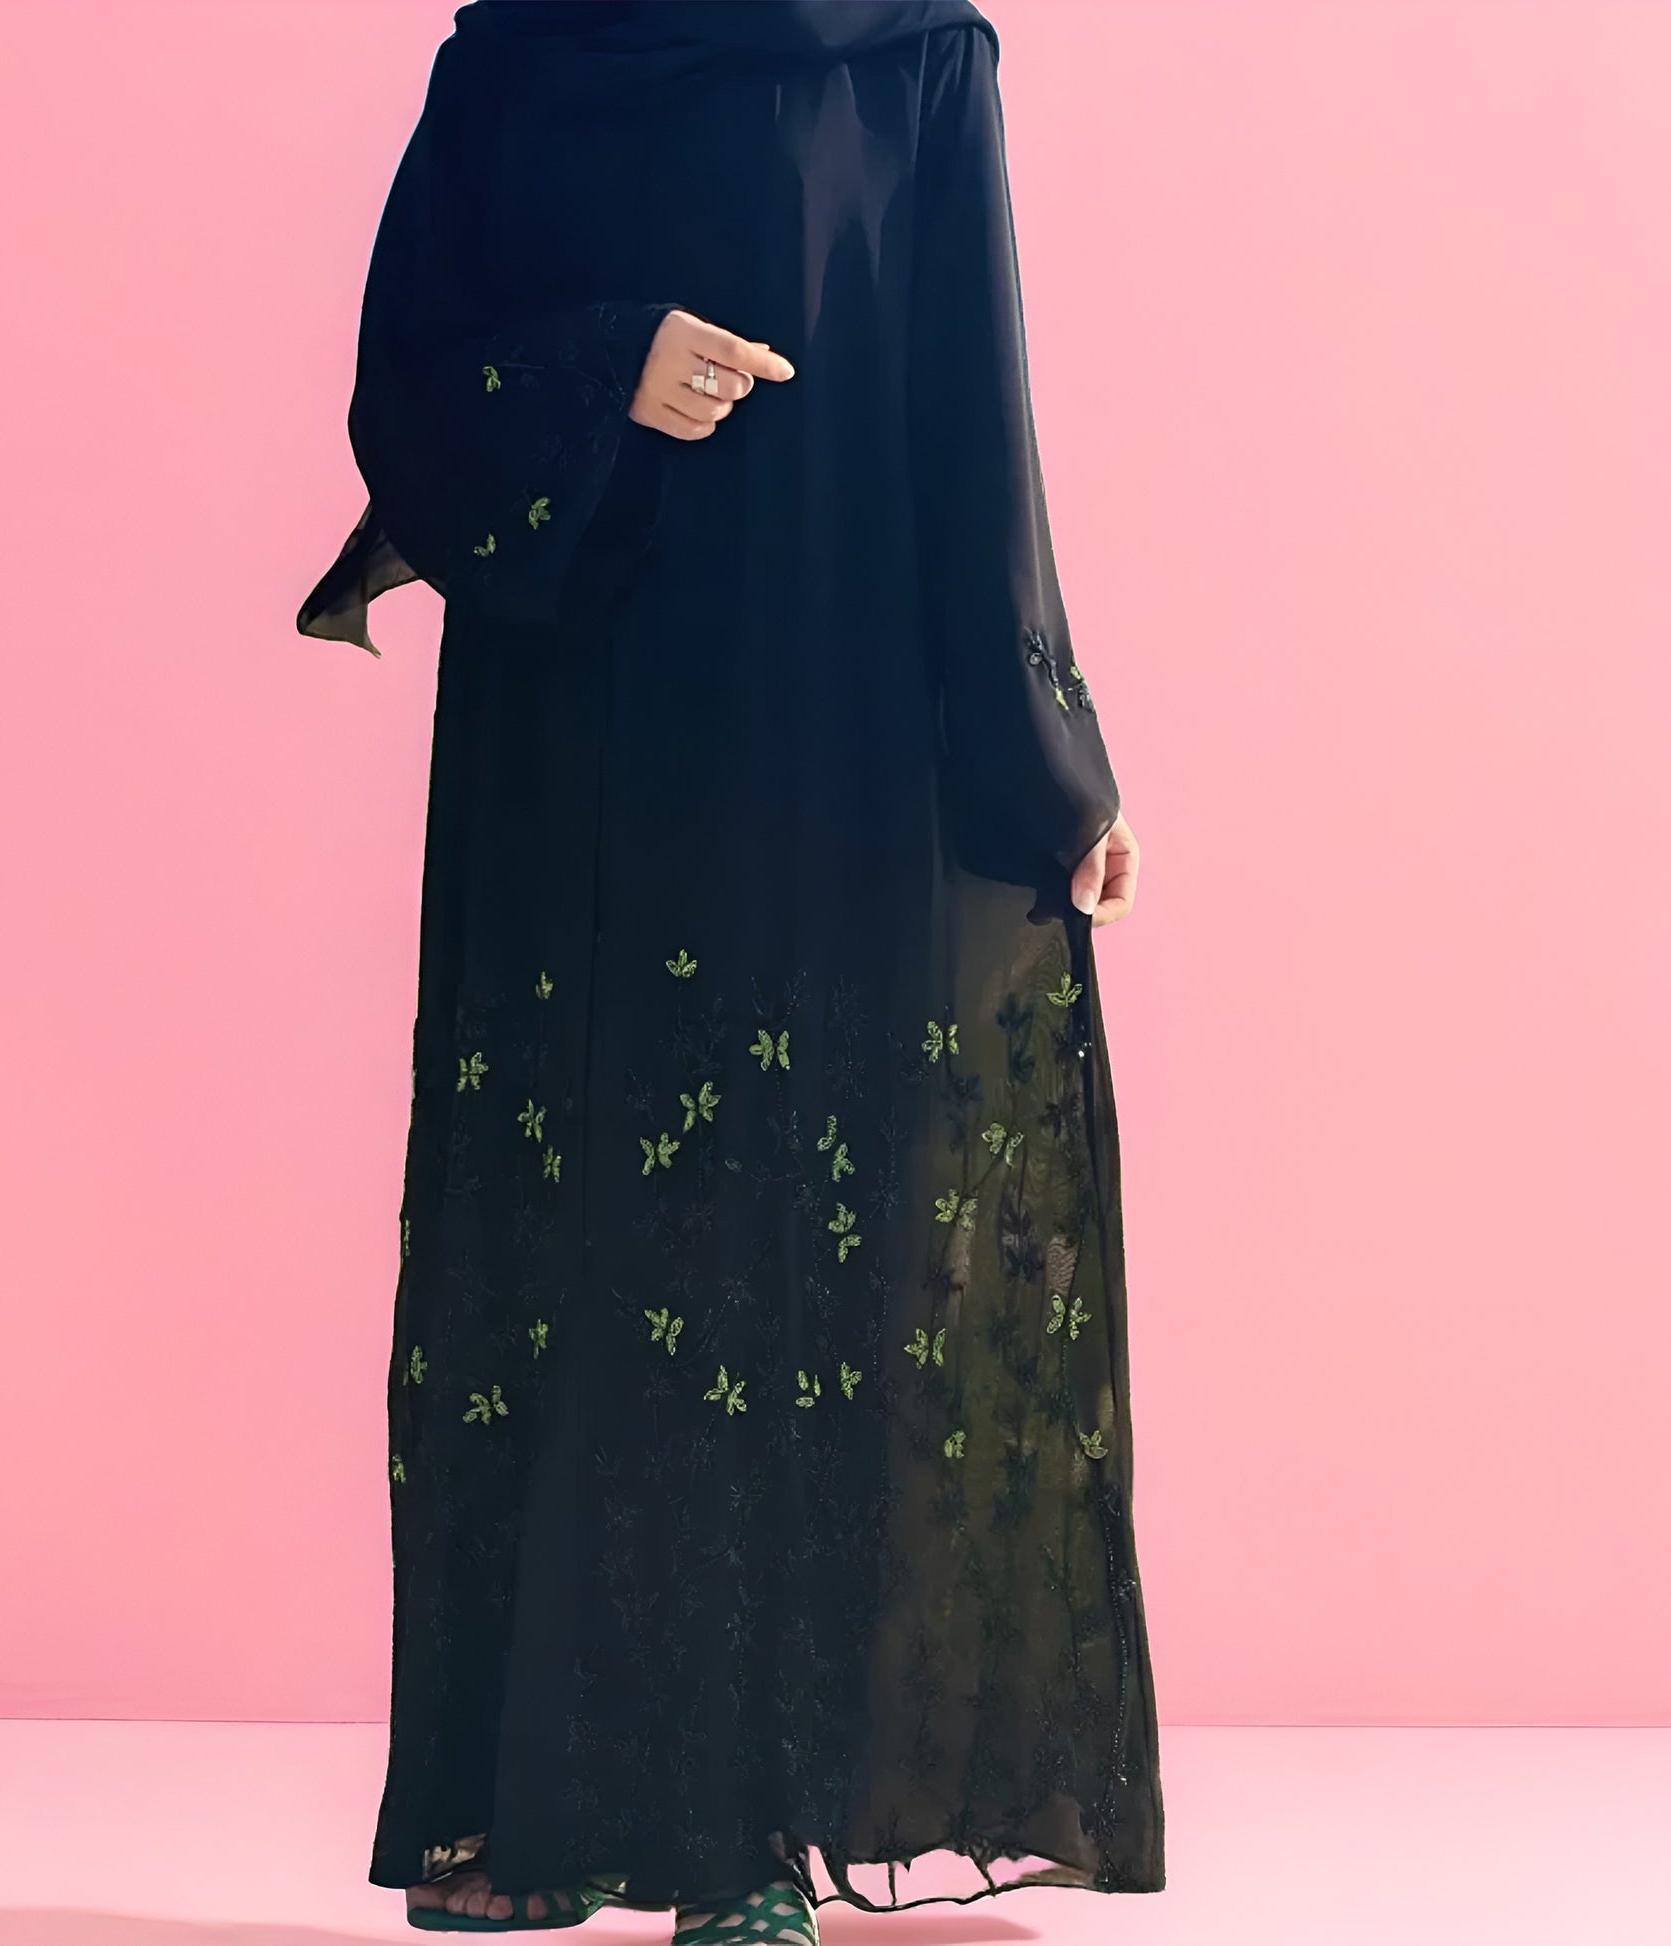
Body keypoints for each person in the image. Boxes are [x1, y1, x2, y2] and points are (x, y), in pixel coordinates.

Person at [295, 2, 1161, 1938]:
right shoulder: (520, 51)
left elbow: (972, 426)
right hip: (565, 742)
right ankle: (527, 1803)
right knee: (558, 1240)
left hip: (815, 711)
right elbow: (408, 388)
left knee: (777, 1247)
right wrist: (607, 366)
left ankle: (744, 1830)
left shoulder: (909, 58)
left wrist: (1052, 767)